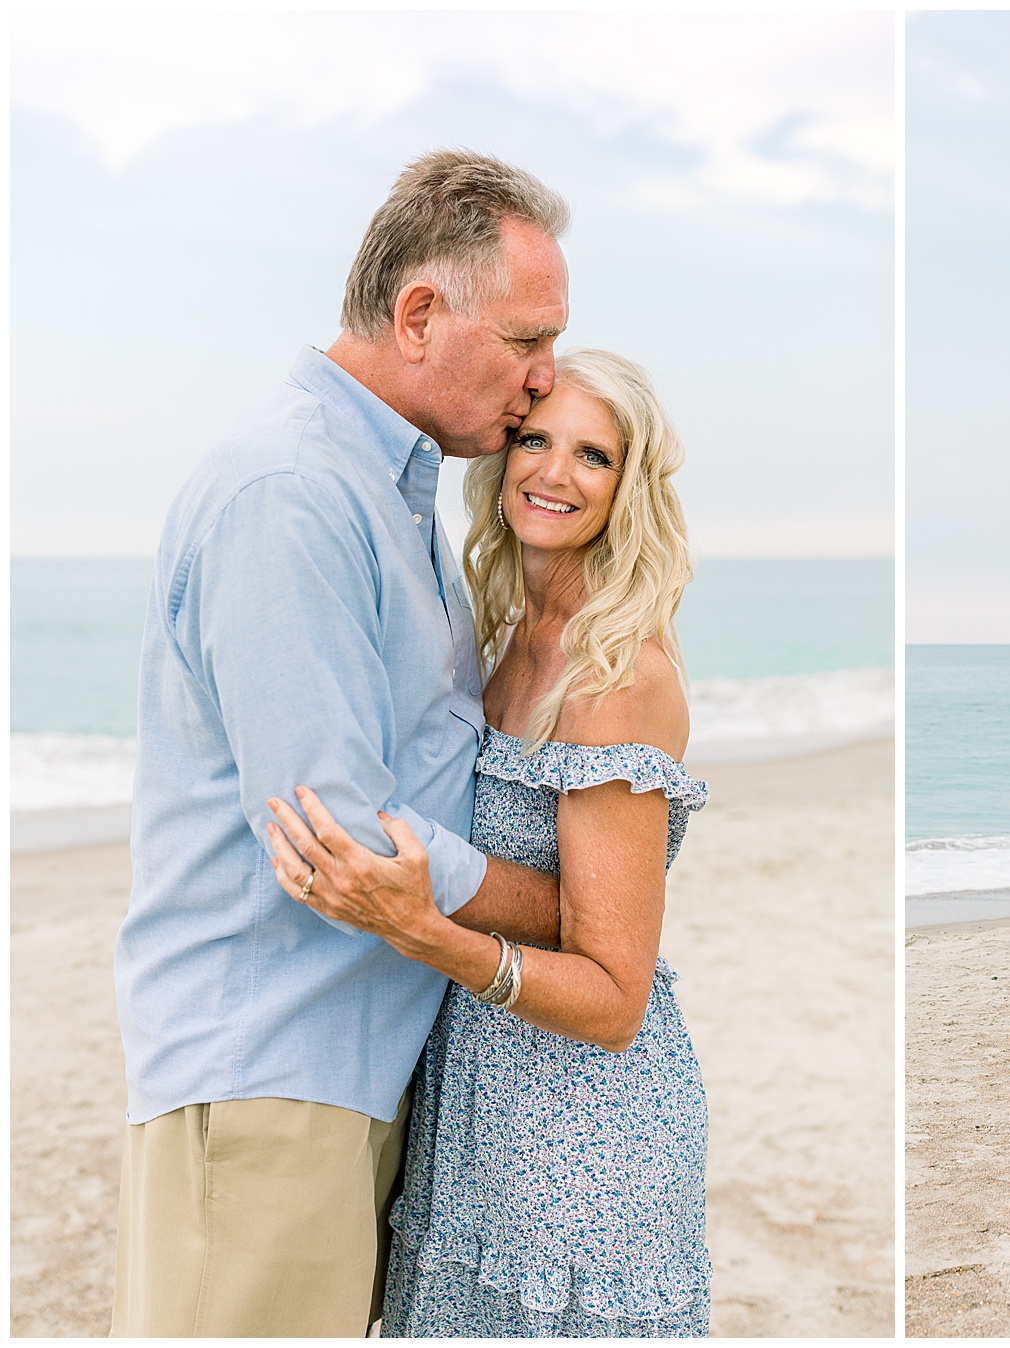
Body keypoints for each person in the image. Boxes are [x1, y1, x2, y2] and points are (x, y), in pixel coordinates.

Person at [112, 151, 573, 1337]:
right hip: (273, 1074)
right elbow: (339, 835)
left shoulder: (392, 491)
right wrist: (566, 909)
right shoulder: (292, 489)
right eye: (527, 339)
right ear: (420, 313)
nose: (545, 378)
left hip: (351, 1074)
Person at [265, 349, 711, 1336]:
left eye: (593, 456)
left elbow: (614, 996)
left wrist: (429, 933)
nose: (553, 473)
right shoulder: (507, 622)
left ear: (628, 486)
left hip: (583, 1136)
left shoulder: (614, 673)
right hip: (475, 1107)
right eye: (536, 440)